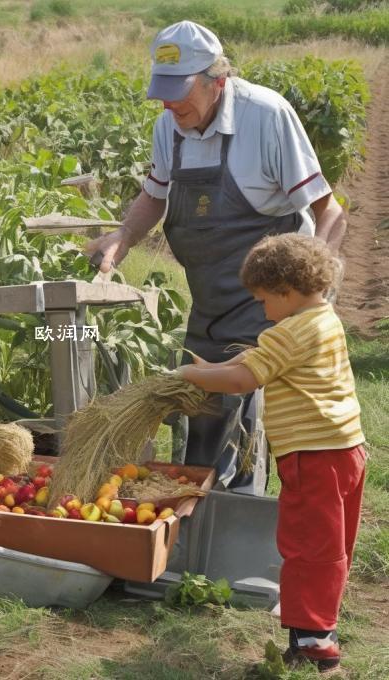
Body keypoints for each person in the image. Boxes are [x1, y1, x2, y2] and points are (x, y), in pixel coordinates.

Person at [85, 20, 347, 494]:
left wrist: (312, 296)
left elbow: (330, 211)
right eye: (163, 93)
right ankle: (197, 514)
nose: (169, 105)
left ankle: (238, 512)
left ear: (217, 80)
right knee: (201, 403)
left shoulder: (266, 115)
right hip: (208, 294)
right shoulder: (170, 125)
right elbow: (155, 194)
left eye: (179, 94)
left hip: (272, 296)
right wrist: (121, 237)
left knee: (238, 405)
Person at [179, 233, 365, 674]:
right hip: (345, 450)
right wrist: (213, 370)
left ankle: (315, 646)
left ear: (287, 290)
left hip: (313, 459)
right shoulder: (324, 319)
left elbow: (246, 379)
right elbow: (251, 364)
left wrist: (188, 375)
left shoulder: (291, 330)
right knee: (331, 547)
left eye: (263, 300)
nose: (262, 309)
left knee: (306, 548)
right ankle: (318, 630)